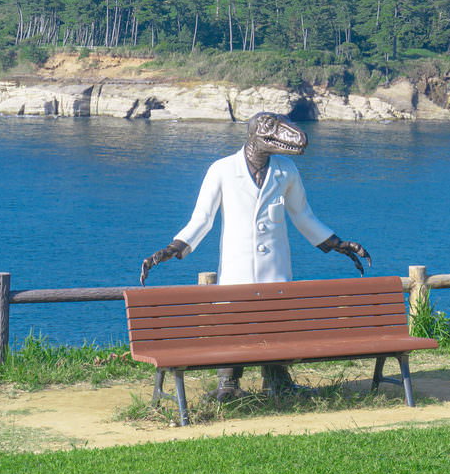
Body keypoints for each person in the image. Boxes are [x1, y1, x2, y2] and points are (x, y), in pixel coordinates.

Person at [140, 111, 370, 400]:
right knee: (233, 321)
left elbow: (303, 215)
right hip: (238, 267)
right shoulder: (222, 170)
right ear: (254, 133)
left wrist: (336, 243)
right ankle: (228, 381)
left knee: (276, 319)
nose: (290, 136)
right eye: (272, 127)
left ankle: (276, 378)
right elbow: (202, 219)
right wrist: (174, 248)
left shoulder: (286, 170)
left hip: (275, 265)